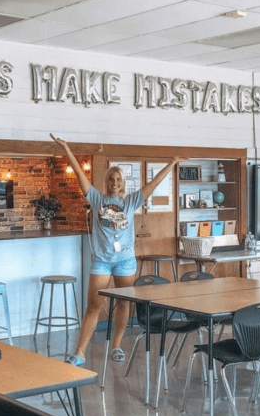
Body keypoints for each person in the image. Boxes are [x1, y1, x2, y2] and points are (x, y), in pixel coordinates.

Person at [50, 133, 184, 366]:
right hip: (101, 260)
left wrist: (171, 163)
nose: (115, 183)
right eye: (111, 179)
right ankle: (80, 352)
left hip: (124, 260)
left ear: (123, 183)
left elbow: (153, 185)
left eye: (118, 180)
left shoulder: (131, 201)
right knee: (94, 306)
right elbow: (80, 175)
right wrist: (66, 148)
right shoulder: (96, 198)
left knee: (124, 303)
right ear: (107, 181)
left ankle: (117, 345)